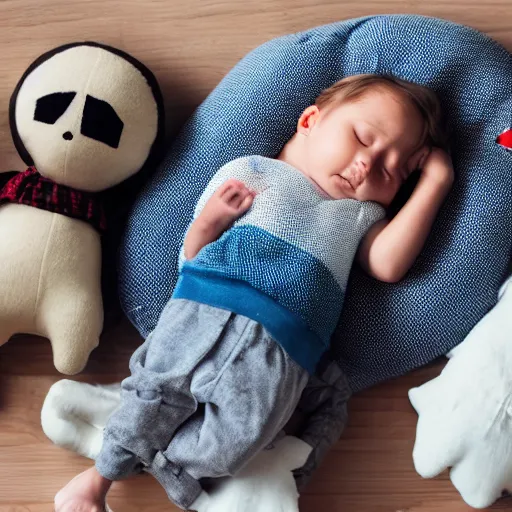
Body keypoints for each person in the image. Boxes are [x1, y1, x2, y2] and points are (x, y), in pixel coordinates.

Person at [55, 74, 454, 512]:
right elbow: (193, 251)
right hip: (207, 306)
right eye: (361, 137)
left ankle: (169, 468)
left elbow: (389, 265)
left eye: (390, 170)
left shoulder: (360, 216)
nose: (367, 166)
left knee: (238, 440)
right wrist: (212, 218)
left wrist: (435, 182)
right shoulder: (254, 171)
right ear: (309, 120)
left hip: (284, 350)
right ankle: (97, 480)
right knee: (155, 393)